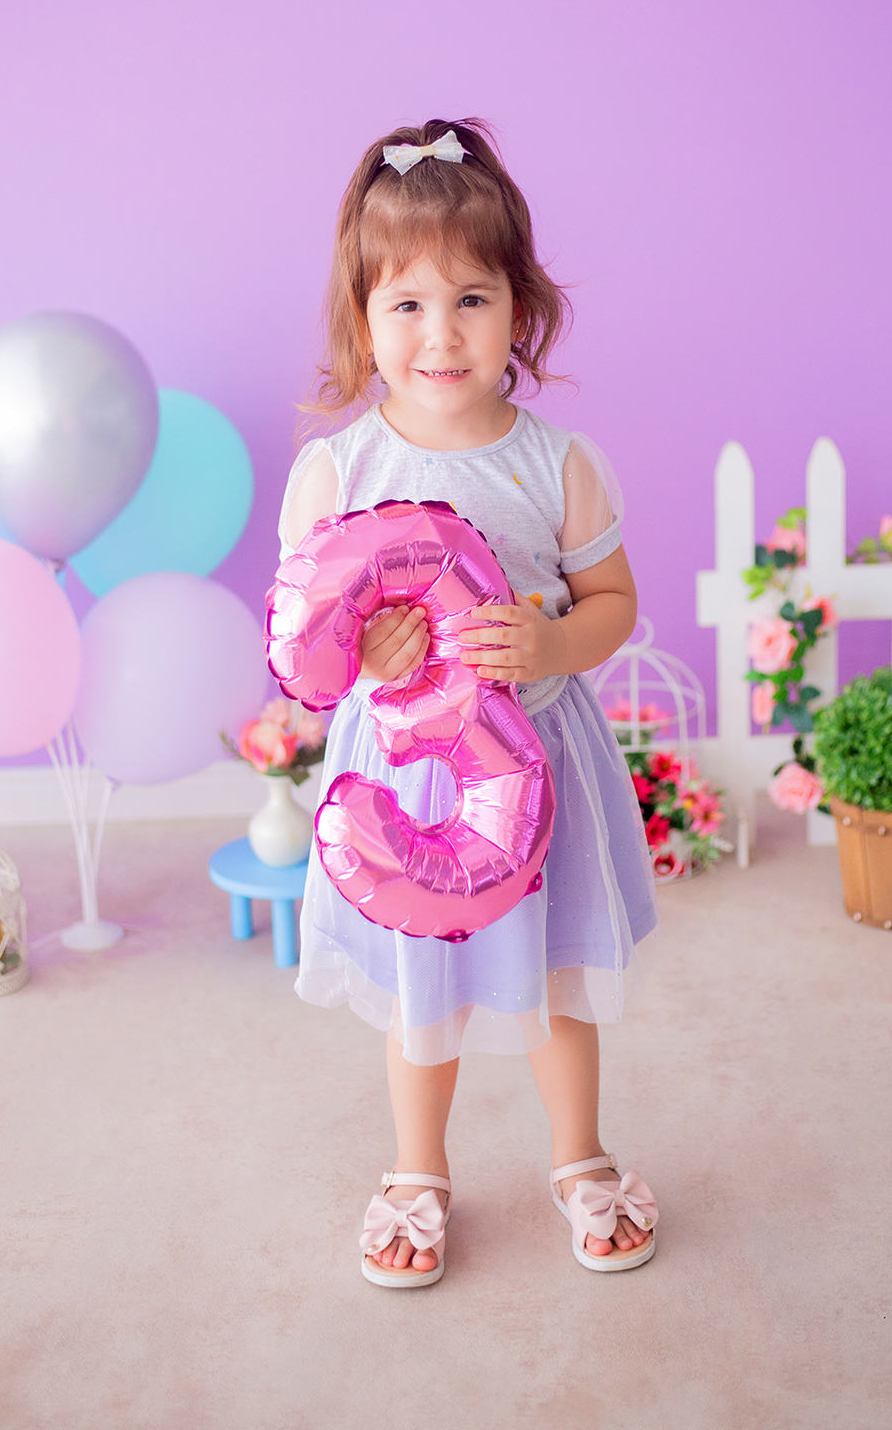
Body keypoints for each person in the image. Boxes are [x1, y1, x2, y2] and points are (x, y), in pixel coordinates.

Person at [277, 119, 659, 1286]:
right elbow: (307, 657)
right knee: (418, 984)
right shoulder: (339, 472)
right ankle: (416, 1171)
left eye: (473, 300)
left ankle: (581, 1159)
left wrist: (549, 636)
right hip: (408, 780)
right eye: (406, 305)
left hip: (536, 758)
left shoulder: (556, 462)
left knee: (559, 975)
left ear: (520, 312)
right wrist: (375, 660)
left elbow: (615, 605)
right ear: (362, 320)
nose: (441, 334)